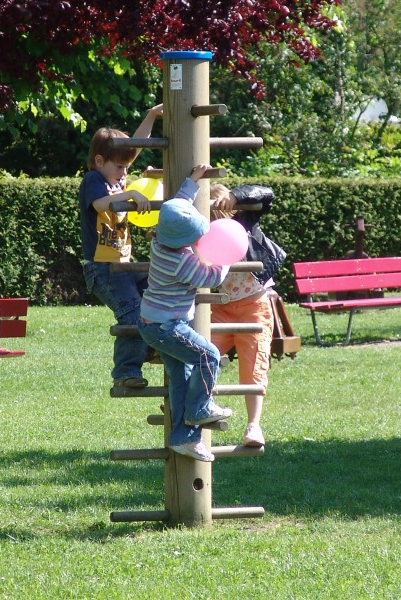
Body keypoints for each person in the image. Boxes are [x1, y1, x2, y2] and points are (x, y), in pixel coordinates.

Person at [138, 165, 232, 462]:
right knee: (209, 356)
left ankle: (184, 438)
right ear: (184, 242)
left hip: (153, 324)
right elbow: (212, 277)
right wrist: (226, 254)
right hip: (167, 327)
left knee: (182, 376)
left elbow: (178, 203)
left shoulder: (160, 240)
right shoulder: (181, 263)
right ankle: (200, 409)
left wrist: (192, 181)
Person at [79, 104, 163, 389]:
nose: (125, 172)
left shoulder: (117, 177)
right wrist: (129, 194)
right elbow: (100, 205)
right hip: (102, 269)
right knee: (131, 312)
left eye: (127, 168)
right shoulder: (94, 179)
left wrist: (151, 115)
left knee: (159, 296)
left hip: (125, 267)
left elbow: (134, 148)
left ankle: (151, 347)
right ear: (99, 161)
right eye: (120, 167)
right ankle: (125, 373)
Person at [209, 182, 286, 448]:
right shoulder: (202, 230)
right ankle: (194, 404)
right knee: (200, 353)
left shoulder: (245, 221)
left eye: (221, 212)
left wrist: (236, 196)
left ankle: (253, 425)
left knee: (254, 364)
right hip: (220, 305)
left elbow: (267, 193)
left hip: (253, 304)